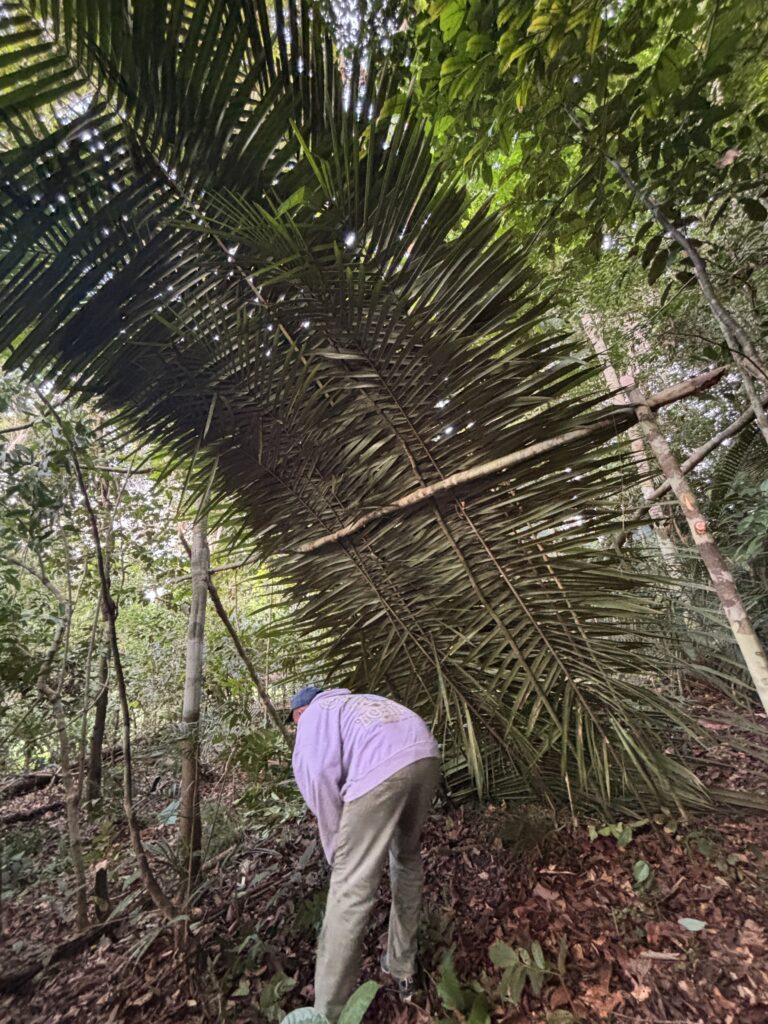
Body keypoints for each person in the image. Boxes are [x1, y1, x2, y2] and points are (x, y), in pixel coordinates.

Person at [288, 685, 440, 1022]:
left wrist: (338, 855)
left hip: (381, 767)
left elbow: (320, 777)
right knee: (406, 858)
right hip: (424, 752)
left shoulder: (312, 718)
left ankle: (327, 1013)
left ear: (299, 713)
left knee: (350, 891)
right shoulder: (356, 703)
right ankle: (403, 969)